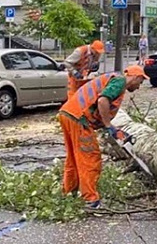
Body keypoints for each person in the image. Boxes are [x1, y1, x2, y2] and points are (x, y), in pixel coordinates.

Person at [58, 65, 149, 208]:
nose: (138, 87)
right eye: (140, 82)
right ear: (136, 77)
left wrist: (113, 132)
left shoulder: (113, 80)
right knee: (90, 158)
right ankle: (90, 199)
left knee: (74, 158)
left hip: (68, 114)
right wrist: (108, 125)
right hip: (79, 119)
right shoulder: (119, 82)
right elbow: (102, 101)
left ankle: (69, 193)